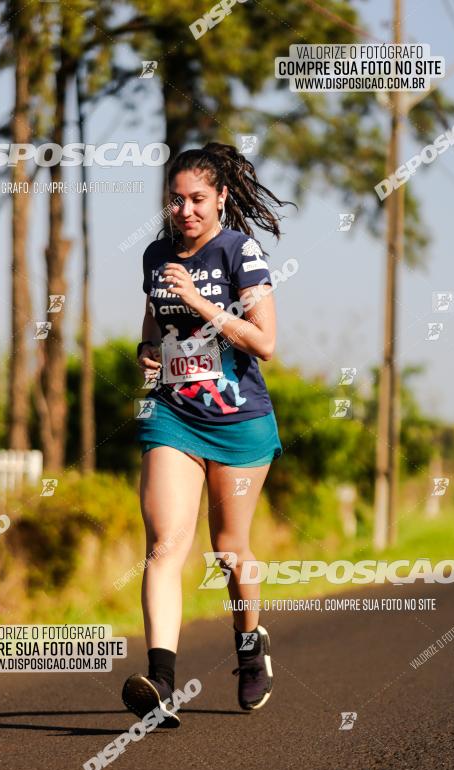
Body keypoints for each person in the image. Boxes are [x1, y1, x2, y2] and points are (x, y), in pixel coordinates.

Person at [121, 141, 293, 728]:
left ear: (221, 197)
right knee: (165, 544)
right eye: (176, 200)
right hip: (174, 415)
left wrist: (201, 302)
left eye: (197, 199)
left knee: (228, 549)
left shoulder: (239, 251)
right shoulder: (154, 254)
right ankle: (161, 683)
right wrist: (148, 348)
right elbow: (154, 314)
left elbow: (266, 342)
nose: (186, 211)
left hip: (240, 422)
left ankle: (250, 647)